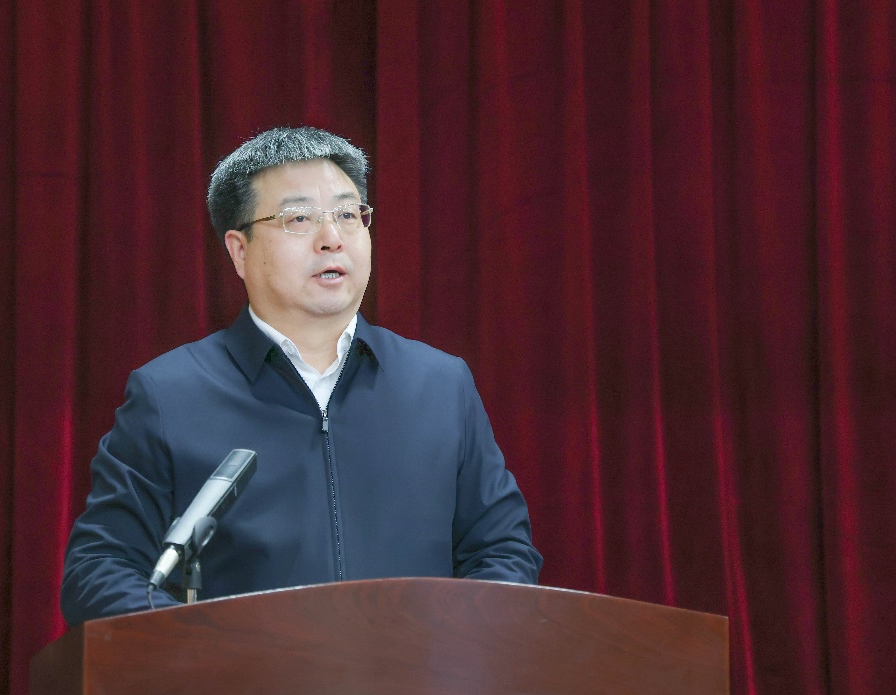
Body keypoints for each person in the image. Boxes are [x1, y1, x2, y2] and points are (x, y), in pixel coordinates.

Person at [60, 127, 541, 625]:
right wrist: (206, 650)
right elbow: (100, 570)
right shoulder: (170, 394)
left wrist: (452, 645)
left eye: (348, 215)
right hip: (240, 674)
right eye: (299, 219)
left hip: (417, 673)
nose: (332, 238)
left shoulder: (439, 385)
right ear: (239, 251)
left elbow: (502, 551)